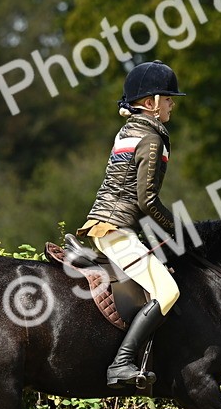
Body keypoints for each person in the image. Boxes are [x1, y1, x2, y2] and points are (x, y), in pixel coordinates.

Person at [76, 60, 185, 388]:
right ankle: (121, 364)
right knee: (168, 291)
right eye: (167, 98)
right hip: (116, 230)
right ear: (150, 102)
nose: (172, 104)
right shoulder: (152, 138)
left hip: (108, 225)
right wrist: (180, 230)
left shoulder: (130, 130)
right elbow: (147, 202)